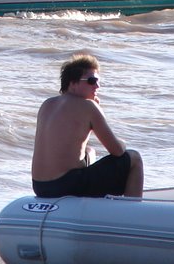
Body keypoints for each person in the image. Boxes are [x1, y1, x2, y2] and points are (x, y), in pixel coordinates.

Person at [31, 54, 144, 198]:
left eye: (98, 81)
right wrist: (123, 143)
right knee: (134, 158)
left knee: (90, 151)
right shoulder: (88, 107)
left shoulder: (47, 104)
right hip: (66, 185)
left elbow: (70, 144)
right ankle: (131, 212)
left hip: (40, 187)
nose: (97, 86)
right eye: (92, 81)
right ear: (72, 83)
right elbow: (116, 150)